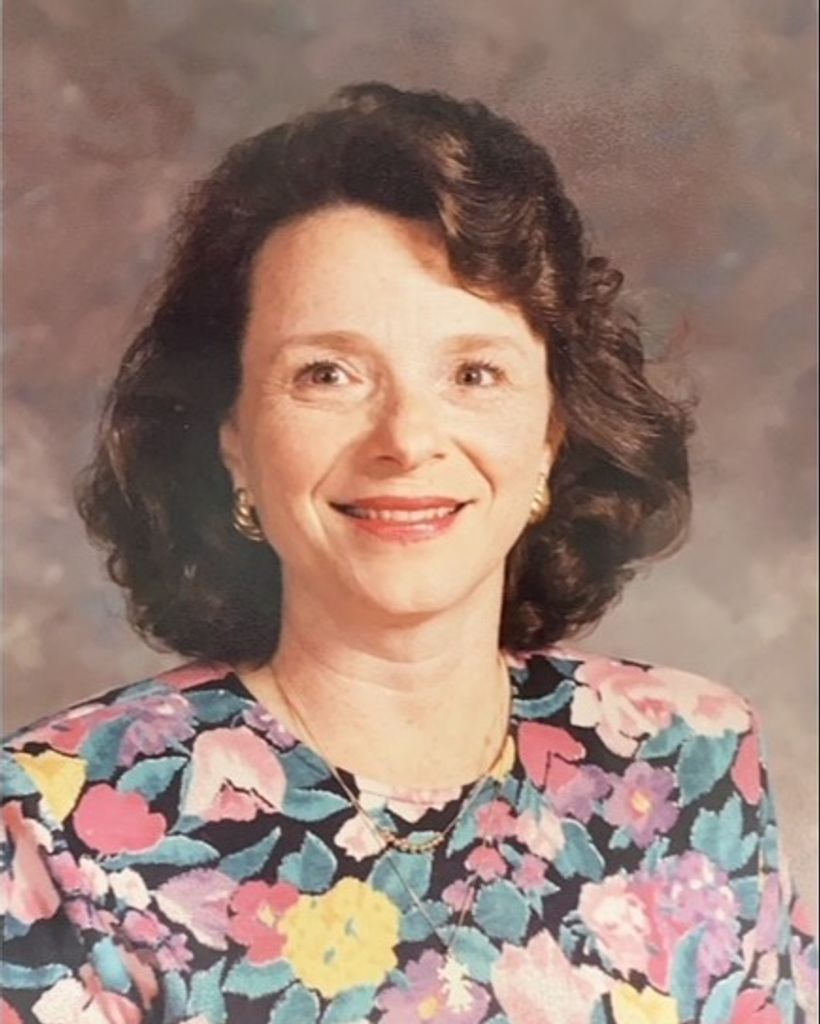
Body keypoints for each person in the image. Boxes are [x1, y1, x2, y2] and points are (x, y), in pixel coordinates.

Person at [1, 82, 816, 1024]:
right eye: (328, 373)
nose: (407, 439)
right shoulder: (61, 824)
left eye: (474, 372)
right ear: (231, 442)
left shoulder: (690, 758)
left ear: (552, 433)